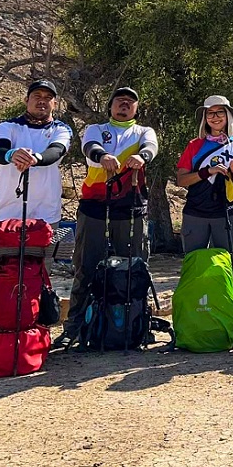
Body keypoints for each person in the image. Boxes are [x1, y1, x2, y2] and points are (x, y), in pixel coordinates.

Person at [62, 86, 159, 344]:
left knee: (135, 268)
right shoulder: (96, 129)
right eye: (119, 100)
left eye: (130, 102)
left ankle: (137, 325)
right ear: (110, 106)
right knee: (86, 267)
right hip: (95, 207)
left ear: (136, 109)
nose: (124, 104)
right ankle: (75, 327)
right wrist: (103, 155)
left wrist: (142, 156)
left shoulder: (144, 131)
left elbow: (151, 147)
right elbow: (89, 147)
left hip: (131, 209)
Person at [177, 95, 233, 271]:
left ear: (228, 116)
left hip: (226, 213)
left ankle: (231, 291)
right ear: (205, 118)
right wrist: (207, 172)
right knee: (193, 265)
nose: (215, 117)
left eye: (220, 112)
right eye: (210, 113)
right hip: (195, 213)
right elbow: (181, 180)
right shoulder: (194, 145)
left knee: (227, 265)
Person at [0, 79, 73, 226]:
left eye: (48, 97)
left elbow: (56, 151)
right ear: (26, 100)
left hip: (46, 213)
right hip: (5, 211)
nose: (42, 101)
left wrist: (34, 159)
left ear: (55, 104)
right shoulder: (7, 126)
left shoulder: (62, 129)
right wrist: (12, 155)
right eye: (37, 96)